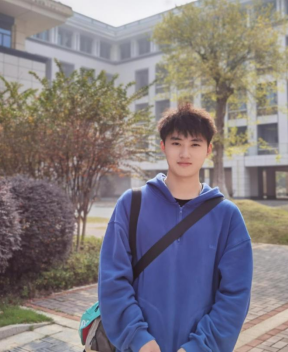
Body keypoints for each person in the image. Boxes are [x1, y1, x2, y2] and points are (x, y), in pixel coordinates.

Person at [98, 102, 253, 352]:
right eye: (177, 143)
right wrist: (139, 339)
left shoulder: (227, 216)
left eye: (195, 144)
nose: (185, 153)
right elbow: (112, 280)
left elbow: (235, 295)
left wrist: (199, 347)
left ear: (208, 150)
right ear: (163, 146)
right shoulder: (131, 204)